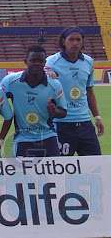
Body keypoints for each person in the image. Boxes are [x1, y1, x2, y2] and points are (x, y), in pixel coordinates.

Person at [45, 26, 104, 156]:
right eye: (71, 39)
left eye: (78, 39)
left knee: (95, 166)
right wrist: (47, 75)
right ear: (63, 41)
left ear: (82, 42)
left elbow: (89, 91)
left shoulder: (88, 62)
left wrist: (97, 117)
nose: (75, 43)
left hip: (85, 123)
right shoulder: (52, 61)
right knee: (61, 167)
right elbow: (40, 85)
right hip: (61, 123)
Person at [0, 45, 67, 157]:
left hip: (48, 137)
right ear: (25, 61)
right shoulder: (10, 82)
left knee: (55, 174)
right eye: (33, 60)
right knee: (21, 174)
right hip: (22, 139)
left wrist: (54, 111)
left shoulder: (54, 84)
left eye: (40, 61)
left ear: (45, 63)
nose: (37, 63)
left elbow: (63, 112)